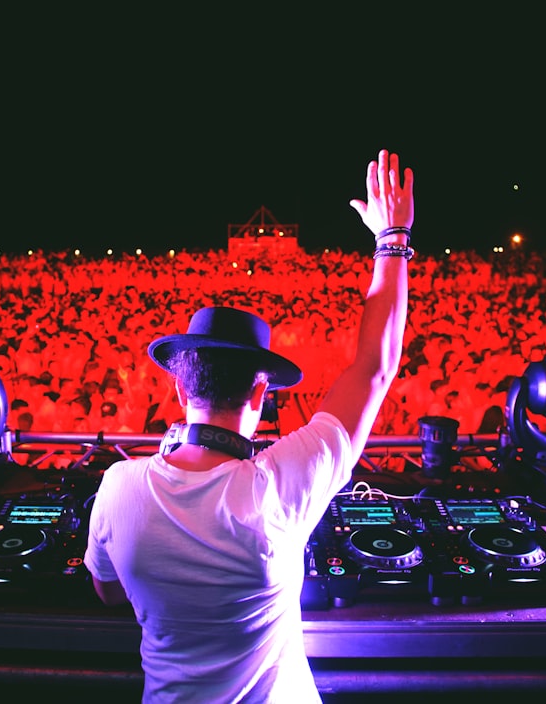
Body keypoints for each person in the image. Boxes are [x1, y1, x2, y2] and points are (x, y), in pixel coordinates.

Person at [84, 149, 415, 701]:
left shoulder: (119, 487)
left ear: (179, 389)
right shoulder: (282, 485)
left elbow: (108, 593)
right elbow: (374, 369)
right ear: (262, 390)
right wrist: (392, 239)